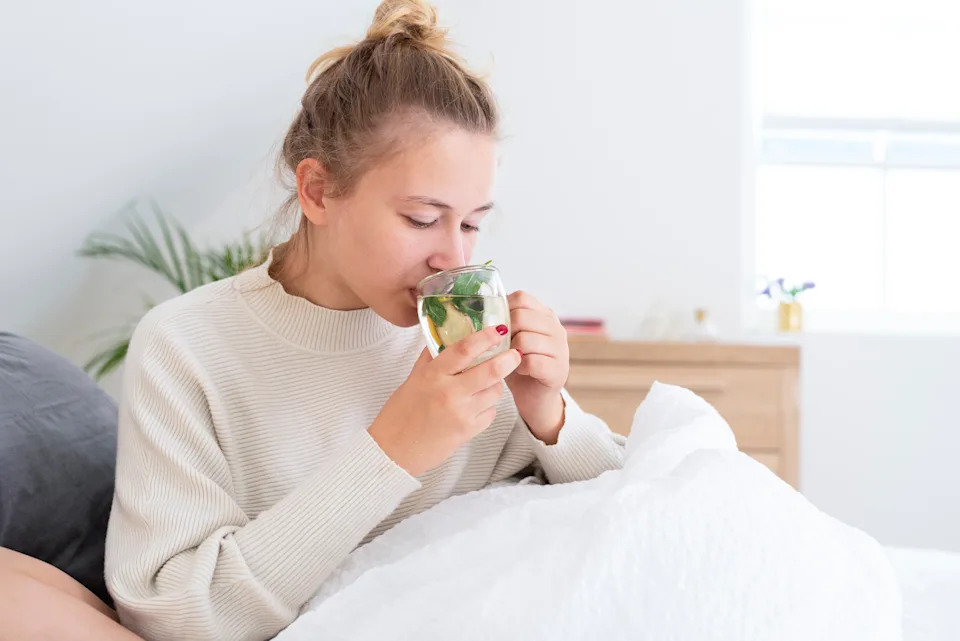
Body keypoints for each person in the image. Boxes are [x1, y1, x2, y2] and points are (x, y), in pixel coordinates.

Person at [105, 1, 625, 639]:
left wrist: (552, 417)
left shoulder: (467, 336)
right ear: (318, 191)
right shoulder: (187, 347)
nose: (454, 258)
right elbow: (177, 616)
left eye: (472, 223)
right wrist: (396, 448)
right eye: (421, 218)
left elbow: (632, 524)